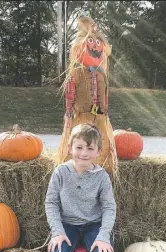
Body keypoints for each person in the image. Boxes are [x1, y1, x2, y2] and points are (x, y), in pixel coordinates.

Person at [46, 123, 116, 252]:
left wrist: (104, 236)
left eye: (89, 148)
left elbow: (109, 207)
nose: (84, 153)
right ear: (70, 148)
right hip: (67, 225)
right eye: (79, 147)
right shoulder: (60, 173)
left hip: (93, 225)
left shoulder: (101, 176)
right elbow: (51, 203)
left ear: (98, 151)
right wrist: (57, 231)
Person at [56, 16, 118, 178]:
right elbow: (70, 94)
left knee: (101, 145)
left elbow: (104, 94)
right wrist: (69, 112)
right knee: (80, 142)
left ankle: (102, 170)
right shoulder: (76, 73)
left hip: (99, 117)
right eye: (91, 42)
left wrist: (105, 112)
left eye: (98, 43)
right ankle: (73, 172)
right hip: (81, 116)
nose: (95, 47)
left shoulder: (101, 75)